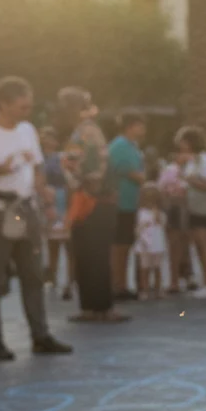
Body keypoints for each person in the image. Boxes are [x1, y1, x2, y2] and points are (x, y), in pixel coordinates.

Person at [0, 78, 71, 361]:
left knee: (33, 274)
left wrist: (44, 194)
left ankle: (40, 335)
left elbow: (36, 166)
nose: (27, 111)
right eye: (22, 106)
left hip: (25, 208)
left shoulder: (27, 130)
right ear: (4, 104)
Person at [61, 87, 128, 324]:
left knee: (92, 256)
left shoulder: (85, 133)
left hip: (92, 202)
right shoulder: (86, 131)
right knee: (91, 256)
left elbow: (82, 169)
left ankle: (97, 308)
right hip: (95, 201)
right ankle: (96, 307)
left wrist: (81, 184)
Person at [175, 127, 206, 299]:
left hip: (205, 209)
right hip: (194, 208)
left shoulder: (204, 159)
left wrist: (189, 180)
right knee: (198, 245)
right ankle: (205, 281)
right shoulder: (190, 161)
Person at [108, 111, 147, 301]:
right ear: (131, 126)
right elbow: (124, 169)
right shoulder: (119, 145)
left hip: (131, 202)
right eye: (140, 124)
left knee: (126, 243)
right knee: (119, 245)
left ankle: (122, 283)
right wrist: (142, 178)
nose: (143, 129)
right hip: (120, 202)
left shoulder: (133, 146)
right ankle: (117, 285)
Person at [40, 126, 74, 300]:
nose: (48, 140)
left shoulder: (60, 158)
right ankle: (51, 276)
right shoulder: (38, 157)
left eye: (51, 137)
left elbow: (69, 180)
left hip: (61, 198)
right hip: (46, 200)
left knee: (68, 243)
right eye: (45, 137)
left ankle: (69, 280)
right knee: (51, 243)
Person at [160, 155, 194, 294]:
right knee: (175, 244)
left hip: (188, 207)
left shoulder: (194, 167)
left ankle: (187, 276)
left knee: (185, 244)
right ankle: (174, 280)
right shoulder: (170, 170)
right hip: (175, 208)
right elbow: (161, 188)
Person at [135, 182, 168, 299]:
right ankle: (145, 289)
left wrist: (156, 212)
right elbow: (138, 228)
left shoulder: (160, 212)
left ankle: (158, 288)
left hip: (157, 243)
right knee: (145, 268)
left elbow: (162, 223)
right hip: (144, 243)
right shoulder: (140, 212)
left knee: (157, 267)